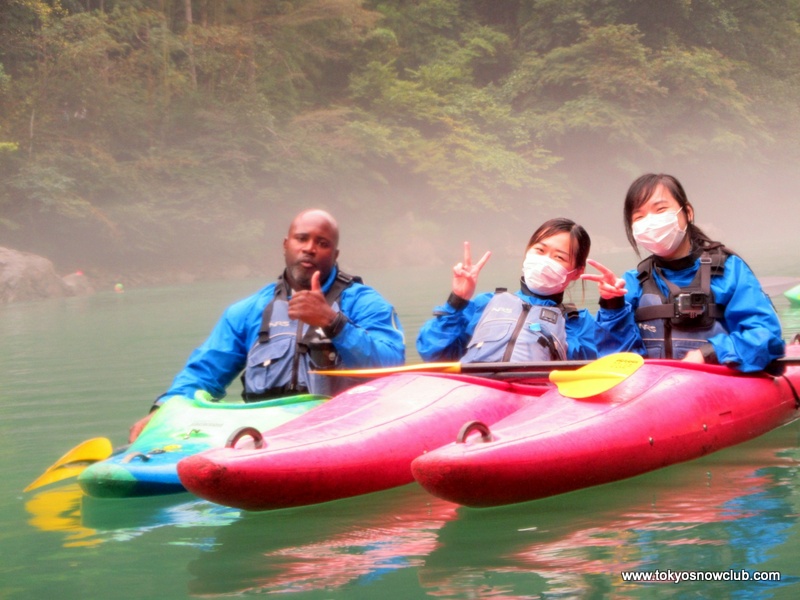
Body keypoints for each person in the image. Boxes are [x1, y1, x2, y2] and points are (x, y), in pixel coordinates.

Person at [129, 209, 405, 442]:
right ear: (286, 245)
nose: (309, 247)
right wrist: (163, 410)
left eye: (322, 243)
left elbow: (392, 363)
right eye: (301, 239)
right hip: (266, 435)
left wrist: (333, 322)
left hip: (343, 427)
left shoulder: (364, 302)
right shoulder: (249, 310)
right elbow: (206, 371)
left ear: (335, 254)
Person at [582, 173, 784, 371]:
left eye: (660, 209)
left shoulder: (729, 270)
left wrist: (709, 353)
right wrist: (612, 304)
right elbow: (615, 358)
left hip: (716, 384)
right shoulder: (632, 282)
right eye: (639, 216)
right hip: (653, 389)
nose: (650, 222)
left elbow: (766, 335)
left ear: (687, 213)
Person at [416, 218, 598, 363]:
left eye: (559, 257)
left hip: (534, 400)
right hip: (476, 391)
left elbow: (591, 371)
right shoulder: (485, 304)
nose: (545, 261)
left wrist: (612, 306)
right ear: (528, 252)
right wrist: (457, 301)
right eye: (540, 250)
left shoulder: (578, 323)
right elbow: (433, 353)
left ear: (577, 272)